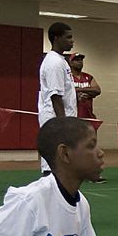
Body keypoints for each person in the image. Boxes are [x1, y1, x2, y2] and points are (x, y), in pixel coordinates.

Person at [37, 22, 77, 176]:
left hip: (60, 118)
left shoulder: (61, 60)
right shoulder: (54, 62)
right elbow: (55, 96)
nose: (72, 41)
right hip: (55, 120)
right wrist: (63, 124)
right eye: (68, 37)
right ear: (56, 38)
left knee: (62, 166)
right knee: (53, 165)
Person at [67, 53, 106, 183]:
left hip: (88, 116)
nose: (79, 62)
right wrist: (79, 92)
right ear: (70, 63)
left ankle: (93, 173)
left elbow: (97, 89)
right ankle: (72, 173)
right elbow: (65, 91)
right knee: (72, 147)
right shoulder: (67, 77)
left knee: (91, 146)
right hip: (73, 117)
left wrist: (77, 90)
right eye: (76, 60)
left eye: (81, 60)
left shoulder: (88, 77)